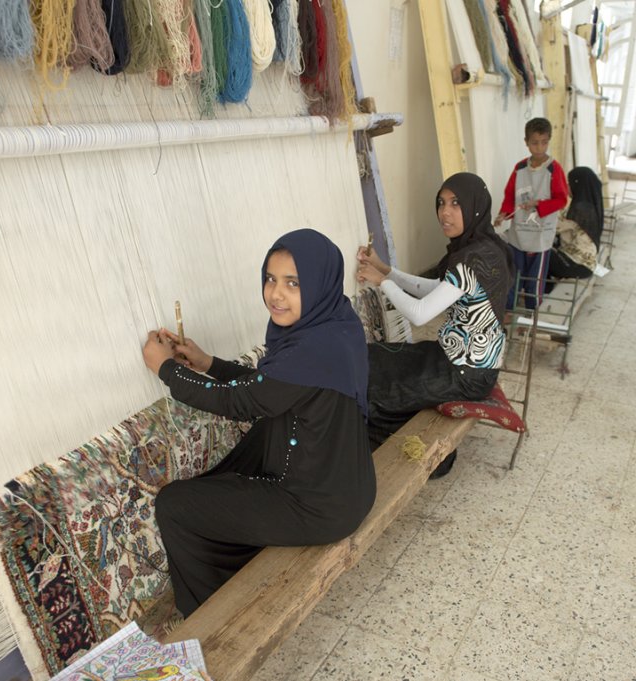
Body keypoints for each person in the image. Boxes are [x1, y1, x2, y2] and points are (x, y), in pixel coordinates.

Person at [141, 228, 376, 618]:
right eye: (270, 278)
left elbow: (240, 402)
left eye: (293, 283)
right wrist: (207, 363)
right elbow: (271, 387)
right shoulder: (336, 323)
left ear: (318, 283)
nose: (275, 294)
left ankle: (209, 621)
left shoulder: (314, 348)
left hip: (320, 508)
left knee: (175, 504)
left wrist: (165, 369)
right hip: (349, 488)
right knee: (251, 450)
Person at [357, 173, 513, 477]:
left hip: (464, 374)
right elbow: (434, 289)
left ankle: (432, 460)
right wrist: (385, 269)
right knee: (373, 356)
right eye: (441, 203)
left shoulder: (472, 259)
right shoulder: (484, 247)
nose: (445, 212)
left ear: (474, 206)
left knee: (376, 391)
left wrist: (382, 282)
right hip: (459, 360)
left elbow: (419, 314)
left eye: (456, 203)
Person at [493, 117, 569, 310]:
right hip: (518, 233)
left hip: (541, 234)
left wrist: (539, 204)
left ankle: (532, 313)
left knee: (535, 279)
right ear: (526, 142)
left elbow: (561, 199)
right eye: (535, 143)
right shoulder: (519, 169)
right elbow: (510, 196)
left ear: (549, 141)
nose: (539, 147)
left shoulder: (553, 169)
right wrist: (503, 214)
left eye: (544, 142)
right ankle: (508, 309)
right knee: (514, 274)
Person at [545, 166, 603, 292]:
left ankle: (539, 292)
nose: (567, 185)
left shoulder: (580, 209)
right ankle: (545, 288)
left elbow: (552, 226)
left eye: (569, 182)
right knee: (544, 249)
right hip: (586, 264)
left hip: (577, 265)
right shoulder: (587, 205)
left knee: (537, 253)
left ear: (578, 184)